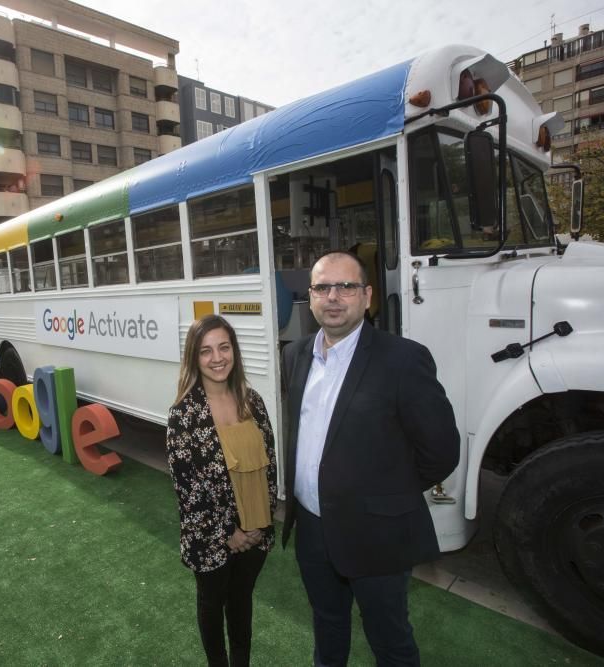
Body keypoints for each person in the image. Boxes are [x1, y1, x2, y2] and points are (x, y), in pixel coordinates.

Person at [281, 251, 459, 667]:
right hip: (312, 528)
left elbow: (441, 449)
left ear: (367, 296)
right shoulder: (297, 355)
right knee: (327, 627)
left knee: (390, 640)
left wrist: (384, 497)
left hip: (377, 533)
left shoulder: (402, 359)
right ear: (311, 296)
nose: (334, 297)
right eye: (323, 287)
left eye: (346, 286)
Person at [167, 314, 278, 667]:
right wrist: (228, 533)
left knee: (242, 599)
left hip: (256, 533)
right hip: (212, 538)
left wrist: (260, 522)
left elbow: (269, 465)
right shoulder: (184, 414)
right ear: (193, 358)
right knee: (212, 603)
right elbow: (188, 490)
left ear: (234, 351)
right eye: (206, 351)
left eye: (224, 347)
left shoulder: (253, 401)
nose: (217, 358)